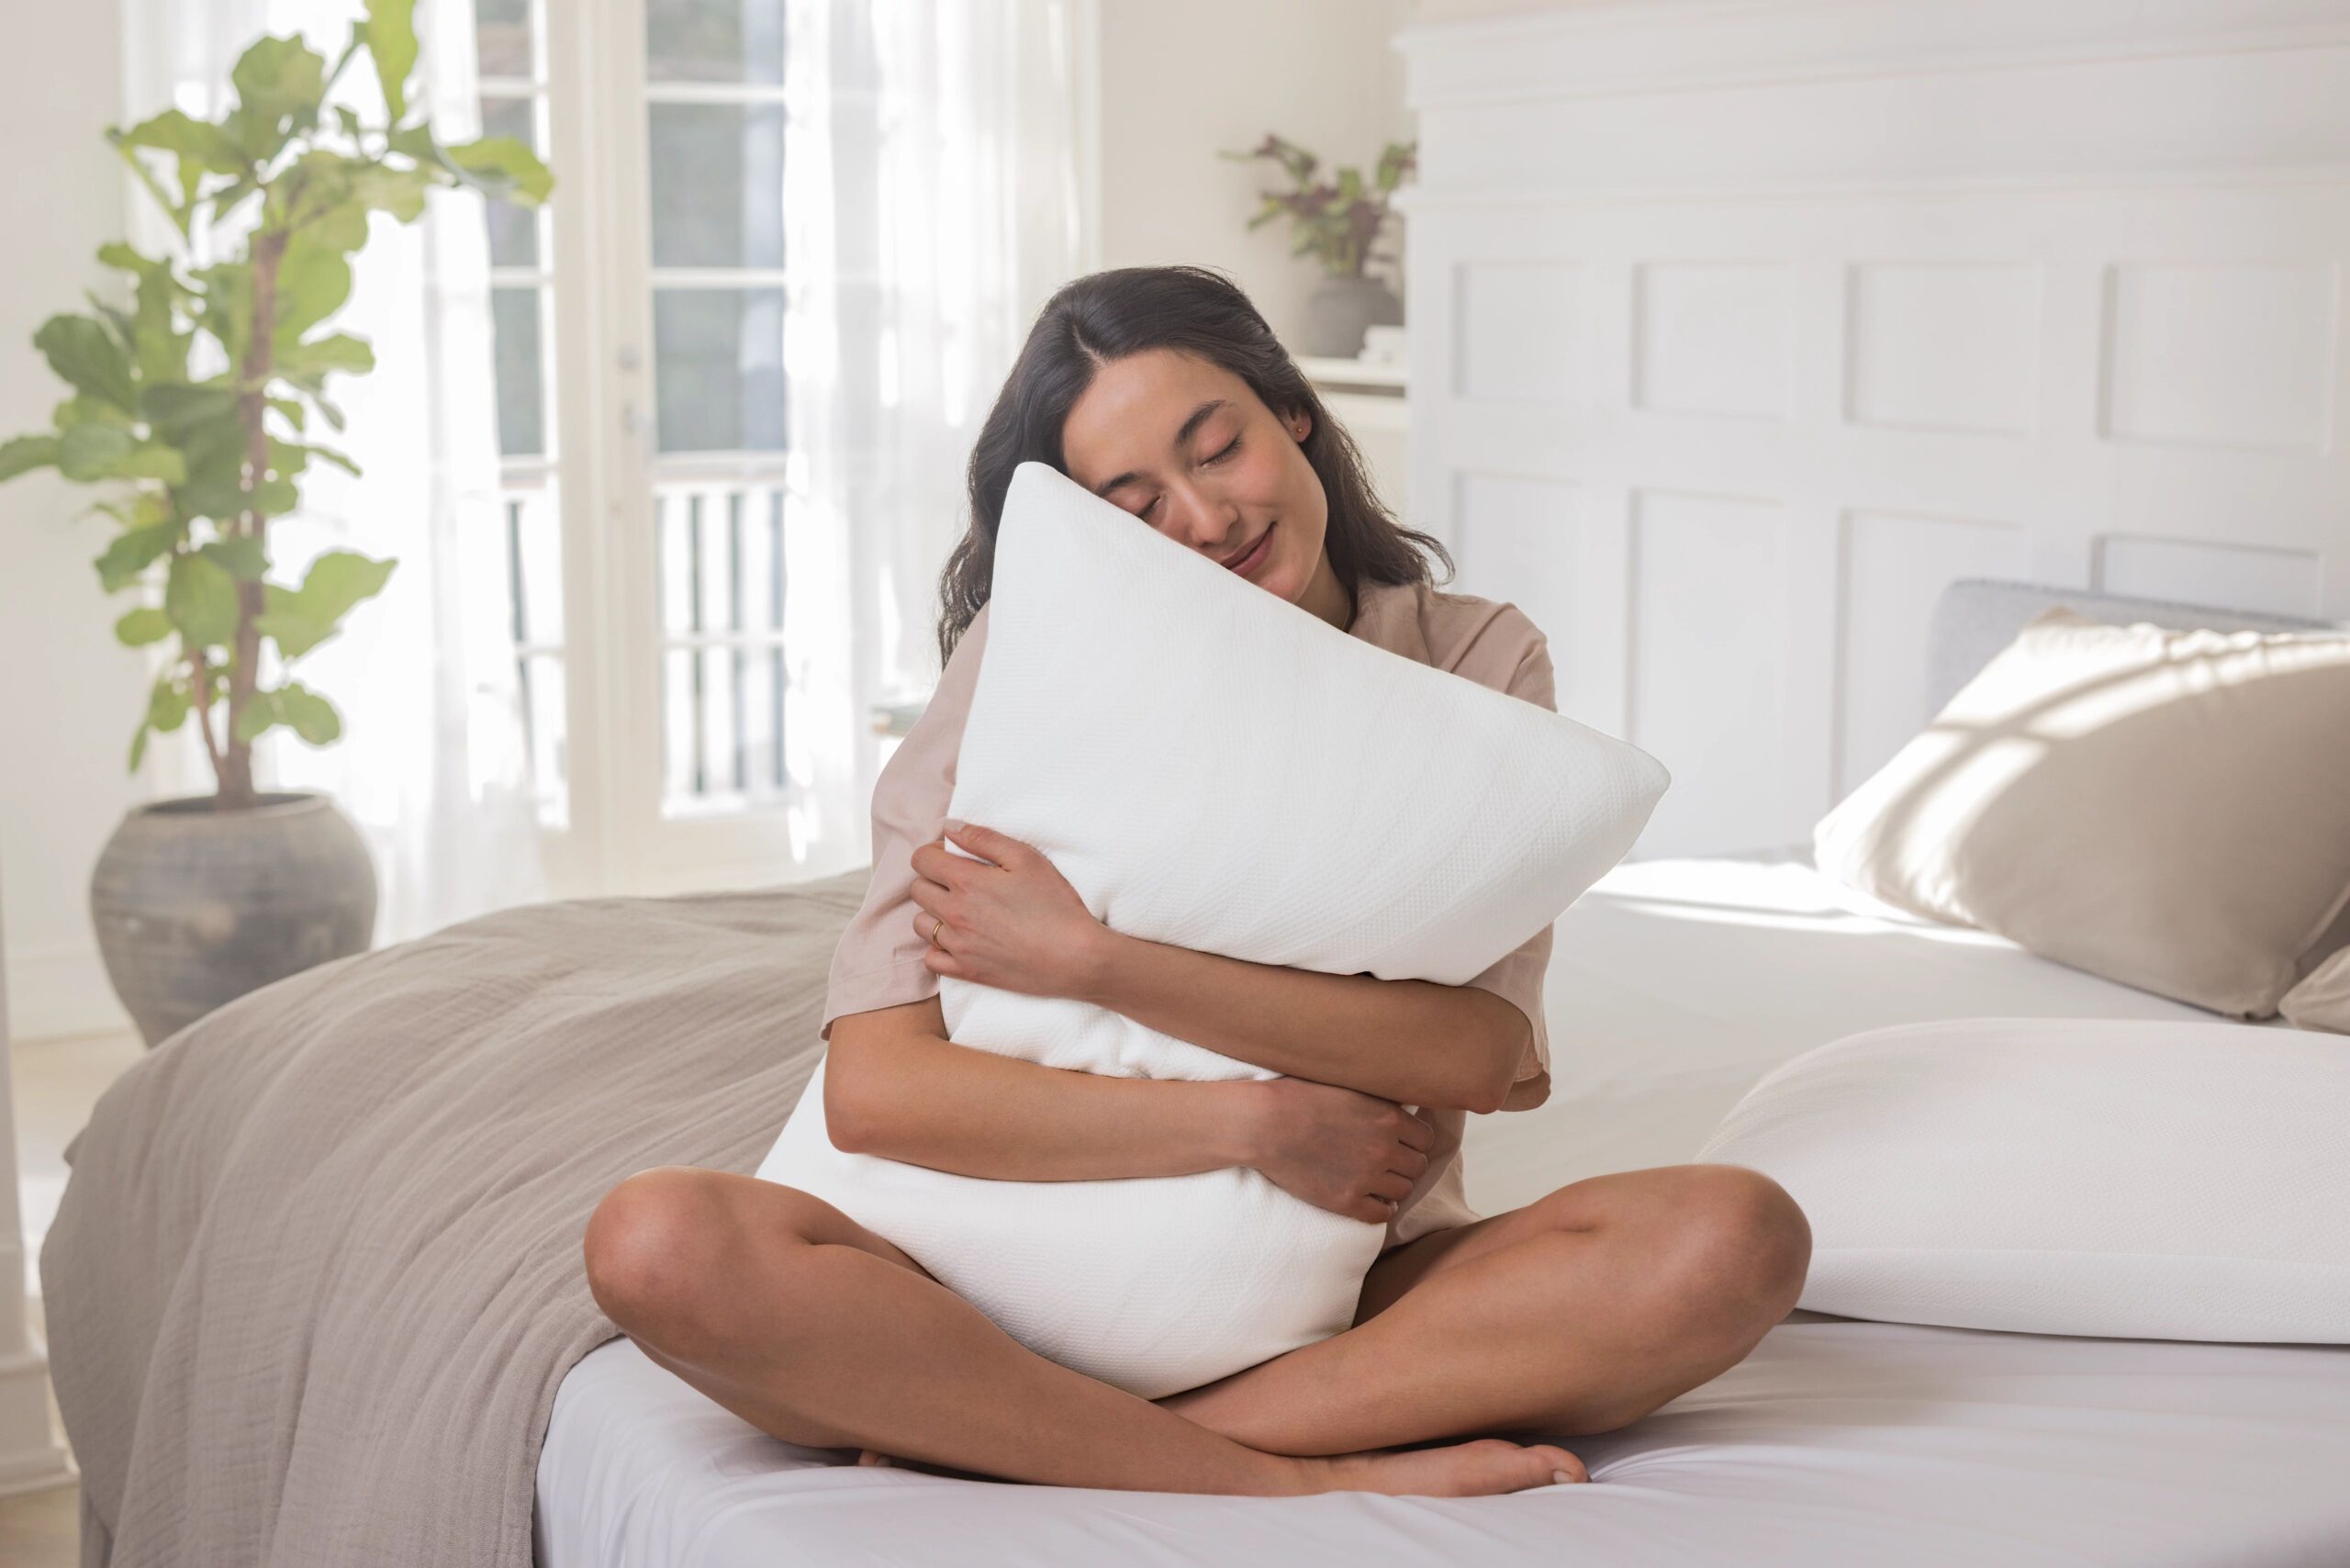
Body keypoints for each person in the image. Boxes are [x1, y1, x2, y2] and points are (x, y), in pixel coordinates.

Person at [584, 264, 1811, 1499]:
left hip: (1342, 1287)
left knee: (1729, 1242)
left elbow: (1478, 1060)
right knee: (658, 1241)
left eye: (1215, 450)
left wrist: (1096, 962)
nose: (1205, 518)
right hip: (957, 1279)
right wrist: (1258, 1128)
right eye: (1137, 502)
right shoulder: (1026, 665)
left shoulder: (1471, 659)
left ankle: (1020, 1426)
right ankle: (1288, 1476)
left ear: (1293, 414)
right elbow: (879, 1091)